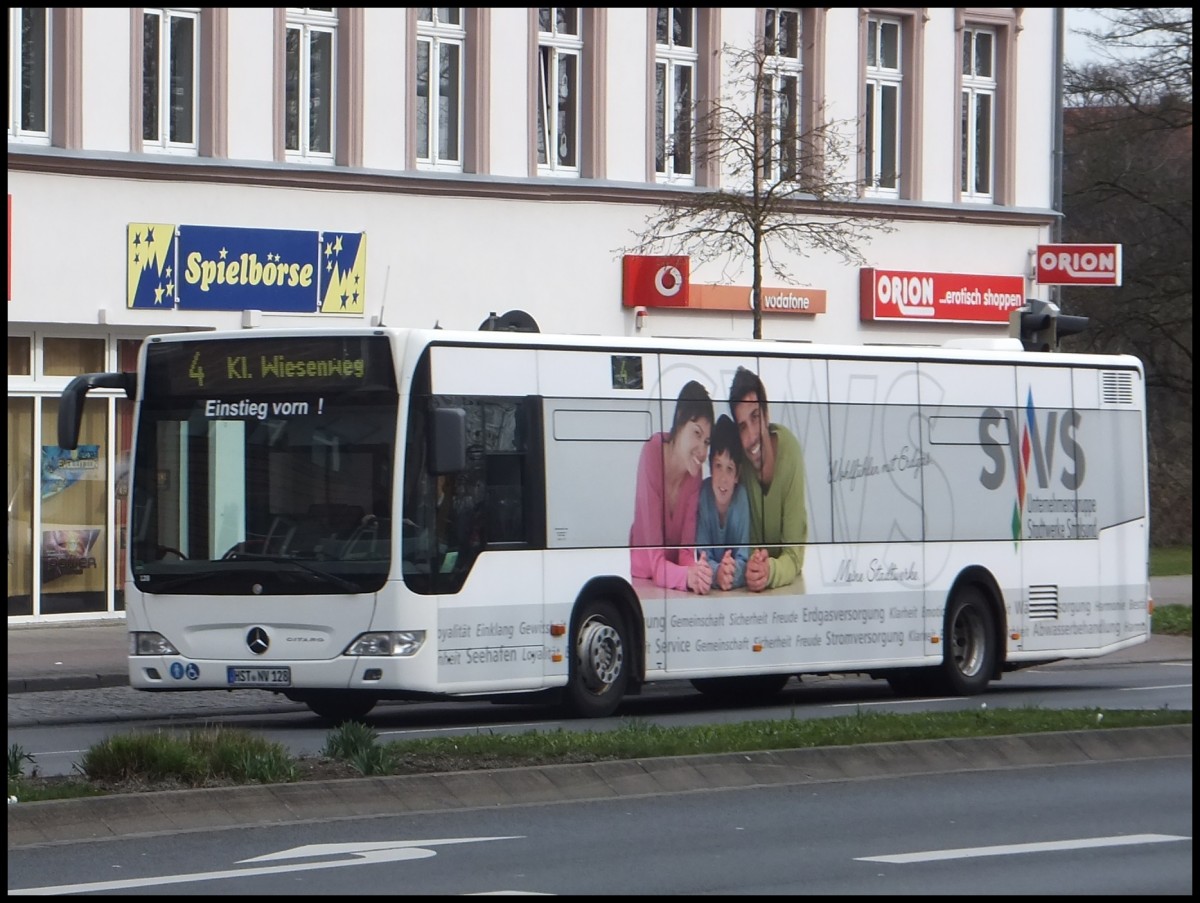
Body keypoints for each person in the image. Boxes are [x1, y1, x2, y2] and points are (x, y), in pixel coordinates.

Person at [629, 380, 715, 593]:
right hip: (644, 582)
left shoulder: (694, 473)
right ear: (679, 420)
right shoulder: (652, 453)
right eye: (697, 433)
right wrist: (688, 576)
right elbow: (656, 565)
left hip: (675, 584)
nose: (703, 453)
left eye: (707, 441)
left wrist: (699, 573)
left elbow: (685, 553)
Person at [729, 366, 806, 592]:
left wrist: (768, 571)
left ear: (766, 415)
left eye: (755, 418)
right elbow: (743, 545)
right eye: (742, 427)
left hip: (786, 590)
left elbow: (793, 554)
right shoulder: (739, 465)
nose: (752, 436)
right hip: (751, 589)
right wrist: (753, 566)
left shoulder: (790, 452)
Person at [695, 414, 750, 591]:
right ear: (710, 468)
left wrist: (731, 572)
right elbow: (702, 555)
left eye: (730, 469)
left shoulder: (741, 499)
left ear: (737, 475)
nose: (723, 478)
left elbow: (745, 557)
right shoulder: (703, 496)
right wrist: (718, 572)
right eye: (718, 466)